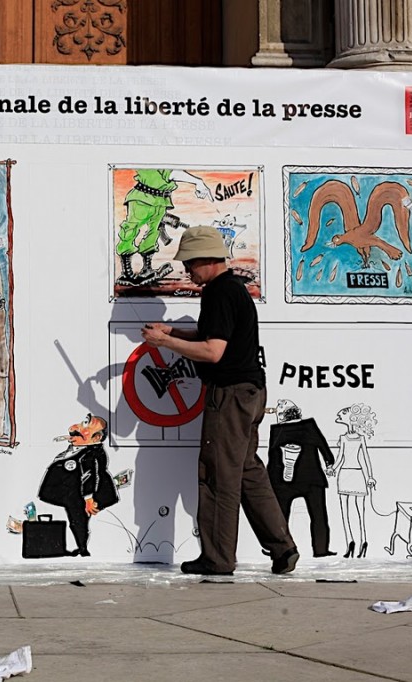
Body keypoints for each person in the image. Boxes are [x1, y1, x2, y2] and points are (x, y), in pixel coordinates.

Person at [141, 225, 298, 576]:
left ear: (207, 259)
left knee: (217, 475)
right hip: (250, 393)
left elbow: (213, 352)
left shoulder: (218, 293)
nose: (187, 270)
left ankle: (217, 558)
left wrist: (165, 343)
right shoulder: (233, 289)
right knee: (247, 472)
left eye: (189, 263)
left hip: (229, 395)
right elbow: (214, 334)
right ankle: (283, 548)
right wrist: (173, 331)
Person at [38, 413, 118, 557]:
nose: (74, 429)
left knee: (78, 520)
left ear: (96, 438)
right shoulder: (80, 449)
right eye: (81, 424)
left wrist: (89, 498)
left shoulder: (91, 454)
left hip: (79, 495)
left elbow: (90, 475)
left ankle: (82, 548)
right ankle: (80, 546)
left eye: (85, 427)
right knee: (75, 519)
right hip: (70, 493)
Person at [266, 399, 336, 558]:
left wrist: (269, 479)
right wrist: (329, 462)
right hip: (311, 476)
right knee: (318, 515)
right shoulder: (309, 426)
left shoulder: (277, 431)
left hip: (284, 482)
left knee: (280, 517)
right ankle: (321, 549)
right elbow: (322, 445)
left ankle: (279, 549)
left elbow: (273, 457)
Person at [327, 403, 378, 559]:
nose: (339, 417)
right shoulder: (353, 438)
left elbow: (342, 458)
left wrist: (370, 476)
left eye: (342, 415)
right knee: (355, 511)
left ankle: (355, 541)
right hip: (353, 473)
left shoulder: (349, 438)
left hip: (349, 474)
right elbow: (358, 459)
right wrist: (333, 469)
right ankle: (358, 541)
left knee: (350, 511)